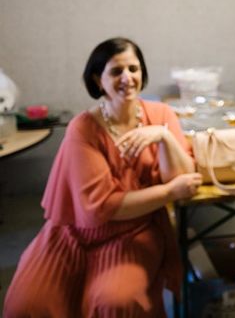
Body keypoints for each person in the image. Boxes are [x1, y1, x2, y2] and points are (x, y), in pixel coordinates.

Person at [3, 37, 203, 317]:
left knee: (115, 303)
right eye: (116, 71)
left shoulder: (161, 114)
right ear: (98, 81)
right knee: (27, 304)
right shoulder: (83, 129)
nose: (127, 78)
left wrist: (164, 137)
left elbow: (183, 177)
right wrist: (169, 193)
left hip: (135, 231)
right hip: (73, 233)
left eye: (134, 69)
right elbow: (102, 207)